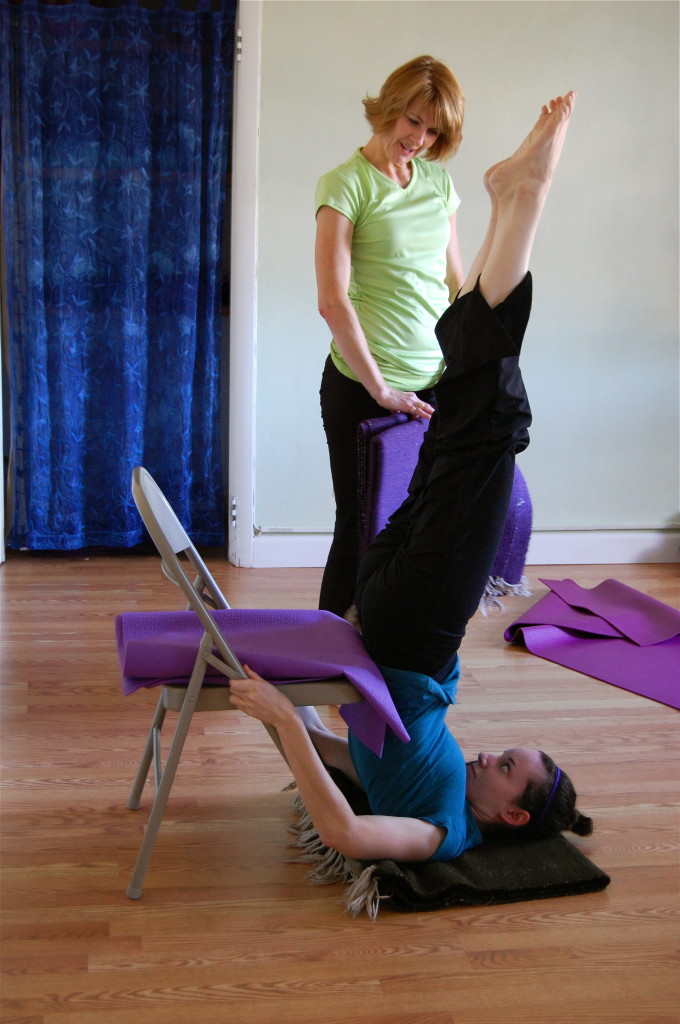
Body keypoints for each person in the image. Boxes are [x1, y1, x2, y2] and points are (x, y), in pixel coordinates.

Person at [230, 93, 593, 865]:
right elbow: (350, 766)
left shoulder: (445, 829)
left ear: (511, 819)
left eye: (503, 770)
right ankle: (513, 206)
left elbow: (348, 833)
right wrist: (292, 725)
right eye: (506, 754)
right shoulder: (441, 787)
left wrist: (288, 721)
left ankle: (521, 203)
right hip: (391, 608)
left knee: (487, 438)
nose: (487, 755)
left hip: (413, 630)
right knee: (464, 425)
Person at [316, 55, 466, 617]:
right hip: (363, 386)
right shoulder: (345, 185)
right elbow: (332, 301)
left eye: (433, 130)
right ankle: (329, 652)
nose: (419, 138)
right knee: (359, 525)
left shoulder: (438, 184)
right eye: (412, 121)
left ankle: (384, 640)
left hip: (431, 387)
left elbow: (455, 282)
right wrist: (381, 391)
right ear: (389, 108)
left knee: (417, 522)